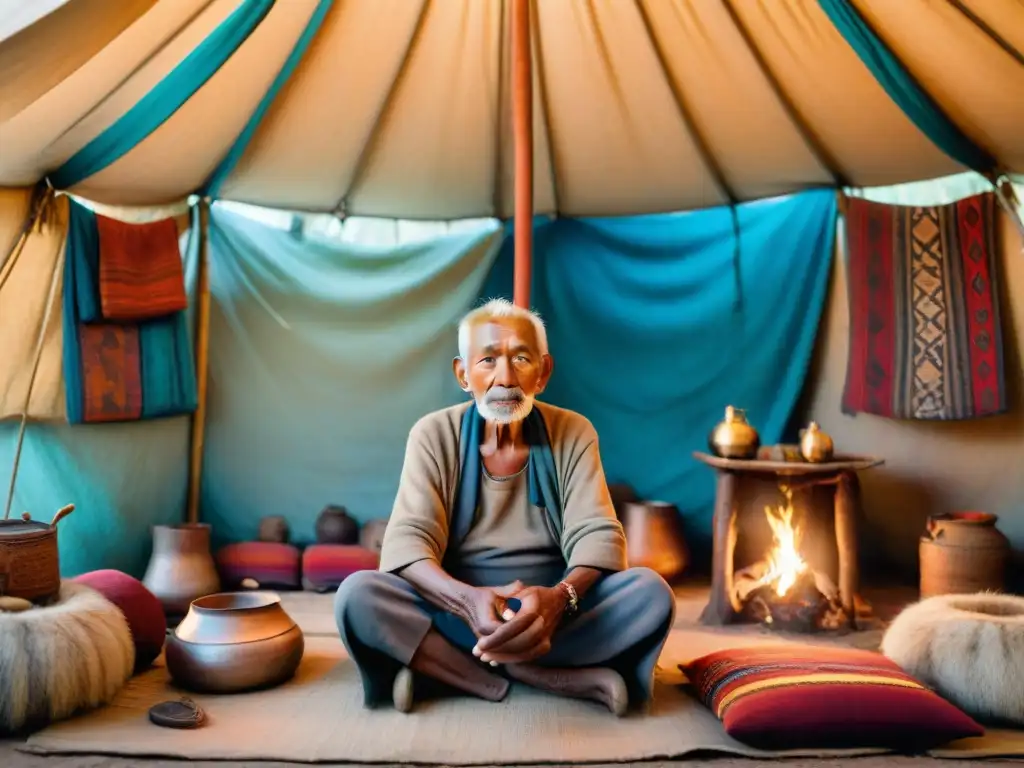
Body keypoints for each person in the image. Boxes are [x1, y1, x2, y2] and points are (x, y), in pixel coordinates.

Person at [335, 298, 675, 716]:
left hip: (555, 615)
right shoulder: (433, 434)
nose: (505, 378)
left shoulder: (573, 431)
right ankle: (534, 676)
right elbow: (407, 541)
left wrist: (557, 599)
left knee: (650, 593)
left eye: (521, 358)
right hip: (454, 613)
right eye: (488, 360)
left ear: (543, 373)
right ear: (463, 374)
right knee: (358, 595)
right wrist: (465, 600)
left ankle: (443, 671)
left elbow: (598, 534)